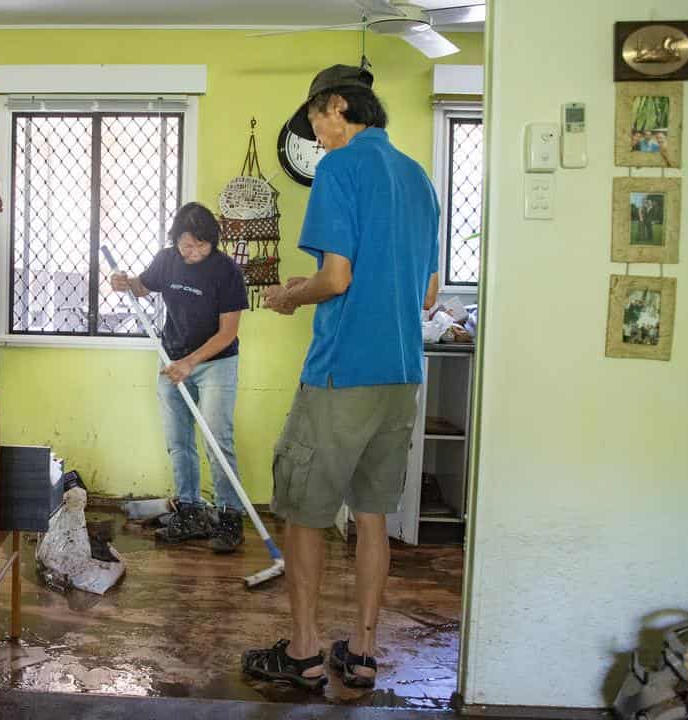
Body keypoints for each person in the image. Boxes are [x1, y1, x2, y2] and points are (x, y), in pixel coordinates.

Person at [241, 65, 440, 692]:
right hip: (402, 373)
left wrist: (291, 297)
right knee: (373, 514)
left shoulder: (341, 168)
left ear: (337, 108)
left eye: (316, 124)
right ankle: (361, 653)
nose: (316, 137)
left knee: (305, 511)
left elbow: (336, 278)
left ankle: (302, 653)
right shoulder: (419, 179)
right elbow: (430, 292)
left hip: (341, 373)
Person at [110, 202, 250, 554]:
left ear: (213, 242)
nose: (195, 252)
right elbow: (143, 287)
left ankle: (229, 516)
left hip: (215, 362)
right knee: (178, 440)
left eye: (202, 245)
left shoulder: (226, 271)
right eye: (188, 245)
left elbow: (228, 333)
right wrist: (124, 282)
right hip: (172, 358)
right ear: (176, 240)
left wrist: (191, 362)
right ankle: (189, 511)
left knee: (218, 439)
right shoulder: (167, 259)